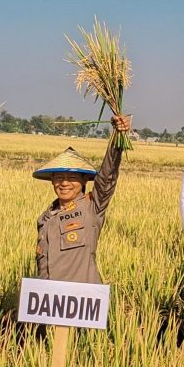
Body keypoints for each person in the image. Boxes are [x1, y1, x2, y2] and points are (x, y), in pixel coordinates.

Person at [33, 115, 130, 283]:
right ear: (52, 180)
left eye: (71, 177)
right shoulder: (45, 218)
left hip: (81, 300)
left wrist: (117, 140)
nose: (64, 183)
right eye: (58, 177)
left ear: (84, 180)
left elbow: (107, 179)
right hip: (49, 300)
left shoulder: (91, 207)